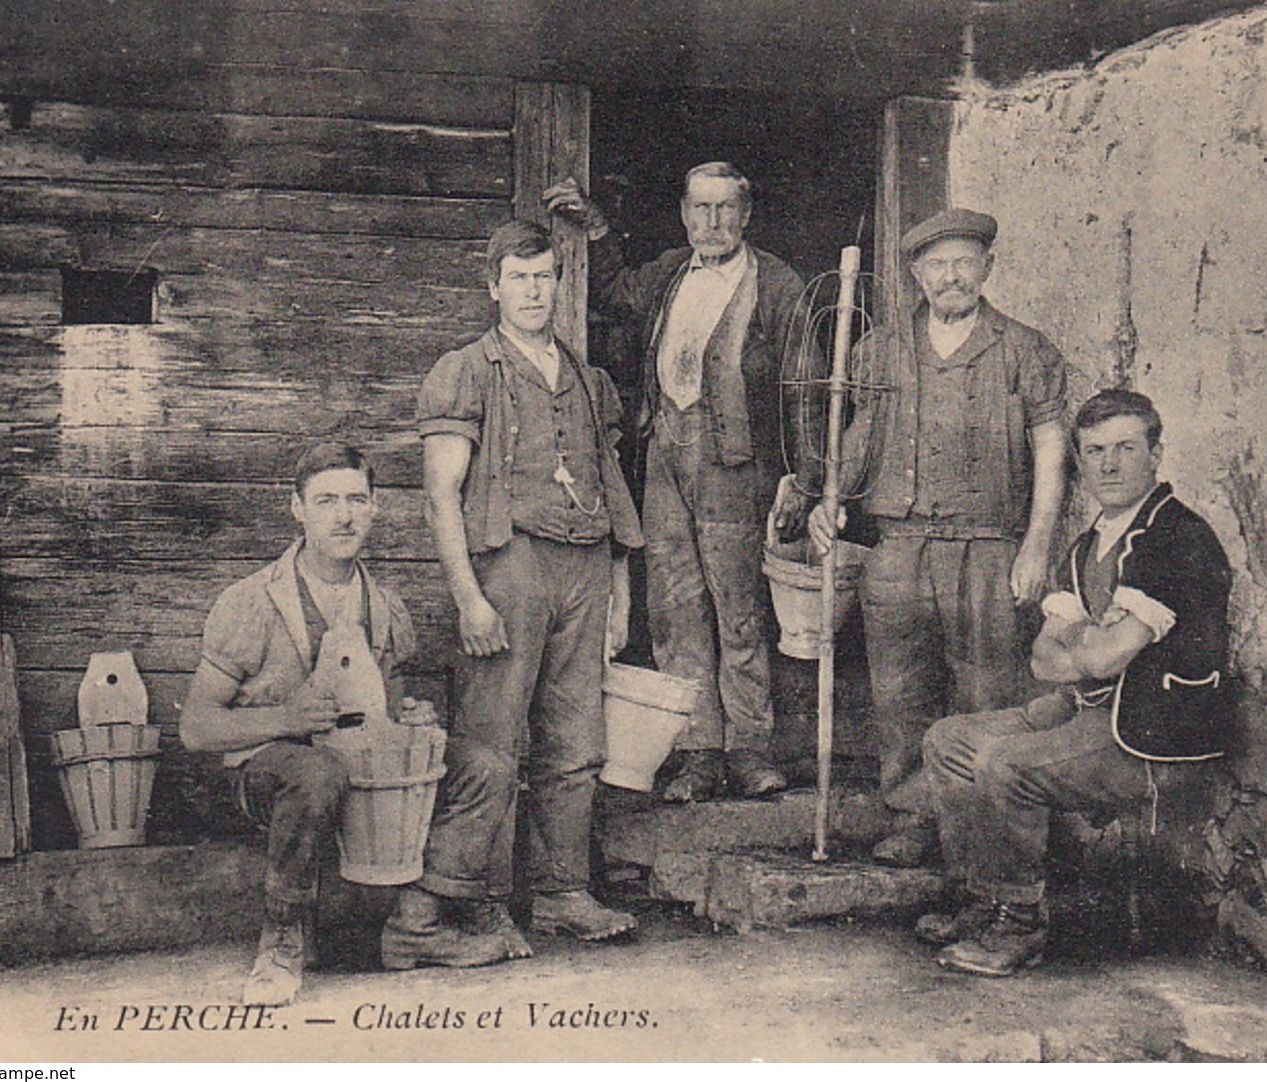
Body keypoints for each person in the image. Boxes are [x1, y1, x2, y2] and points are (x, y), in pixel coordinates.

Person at [917, 389, 1234, 977]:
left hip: (1153, 734)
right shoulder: (1089, 544)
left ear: (1156, 454)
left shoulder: (1175, 538)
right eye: (1094, 452)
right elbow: (1044, 655)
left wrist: (1089, 644)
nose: (1108, 465)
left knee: (1007, 765)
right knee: (948, 741)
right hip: (1086, 710)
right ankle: (982, 898)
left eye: (1125, 448)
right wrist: (1087, 647)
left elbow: (1110, 656)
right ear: (1080, 461)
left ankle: (1019, 925)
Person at [181, 442, 510, 1008]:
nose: (344, 515)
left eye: (357, 499)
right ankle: (282, 941)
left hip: (358, 773)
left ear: (376, 509)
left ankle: (419, 921)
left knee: (486, 767)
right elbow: (196, 728)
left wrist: (410, 719)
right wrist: (284, 718)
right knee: (314, 770)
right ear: (297, 509)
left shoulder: (383, 606)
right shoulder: (251, 602)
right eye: (327, 500)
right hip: (266, 776)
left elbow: (385, 711)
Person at [808, 208, 1069, 865]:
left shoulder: (1023, 349)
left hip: (987, 546)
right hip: (898, 547)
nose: (950, 276)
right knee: (898, 695)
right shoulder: (879, 351)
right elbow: (857, 445)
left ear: (987, 268)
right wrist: (827, 499)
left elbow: (1049, 447)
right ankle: (912, 818)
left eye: (963, 262)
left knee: (985, 697)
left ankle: (978, 833)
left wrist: (1037, 541)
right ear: (915, 275)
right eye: (936, 265)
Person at [416, 219, 646, 955]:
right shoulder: (466, 370)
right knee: (489, 744)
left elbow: (610, 489)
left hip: (582, 568)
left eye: (543, 276)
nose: (532, 291)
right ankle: (465, 901)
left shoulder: (585, 377)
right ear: (493, 287)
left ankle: (561, 894)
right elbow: (440, 495)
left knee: (576, 740)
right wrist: (467, 596)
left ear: (559, 282)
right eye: (518, 277)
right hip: (509, 569)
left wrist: (618, 593)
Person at [544, 164, 808, 802]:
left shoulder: (777, 284)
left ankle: (749, 748)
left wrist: (804, 475)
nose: (711, 223)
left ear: (745, 216)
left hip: (736, 467)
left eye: (724, 209)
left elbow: (807, 386)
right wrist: (598, 230)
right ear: (685, 214)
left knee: (738, 609)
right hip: (666, 457)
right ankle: (696, 752)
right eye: (700, 209)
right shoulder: (668, 272)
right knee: (674, 608)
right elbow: (616, 295)